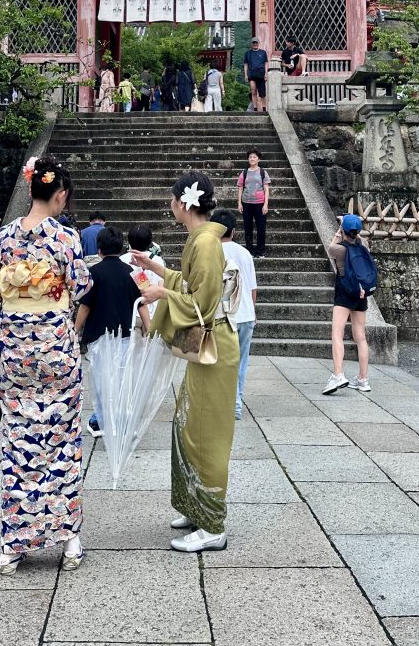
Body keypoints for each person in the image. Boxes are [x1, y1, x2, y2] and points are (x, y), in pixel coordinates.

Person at [0, 155, 91, 575]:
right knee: (61, 442)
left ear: (32, 189)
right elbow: (81, 286)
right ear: (59, 195)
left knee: (18, 442)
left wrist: (21, 285)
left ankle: (14, 544)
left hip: (16, 354)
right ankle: (68, 539)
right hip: (56, 351)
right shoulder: (66, 239)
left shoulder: (3, 238)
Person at [132, 171, 238, 553]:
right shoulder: (203, 237)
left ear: (184, 203)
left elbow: (202, 305)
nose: (170, 205)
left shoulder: (206, 243)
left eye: (172, 199)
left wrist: (161, 292)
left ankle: (213, 524)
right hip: (212, 345)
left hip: (215, 346)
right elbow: (194, 288)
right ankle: (197, 506)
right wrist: (158, 269)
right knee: (188, 423)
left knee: (206, 431)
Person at [75, 226, 150, 438]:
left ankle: (101, 421)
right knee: (123, 378)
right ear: (121, 247)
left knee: (101, 380)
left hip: (99, 337)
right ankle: (125, 418)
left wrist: (74, 330)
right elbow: (144, 302)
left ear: (99, 249)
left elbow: (85, 306)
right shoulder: (133, 272)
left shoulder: (93, 273)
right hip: (125, 335)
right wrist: (148, 328)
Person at [211, 209, 257, 421]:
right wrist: (252, 312)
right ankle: (235, 404)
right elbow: (252, 288)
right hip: (245, 314)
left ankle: (218, 404)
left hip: (222, 315)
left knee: (218, 362)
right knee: (240, 361)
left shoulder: (212, 252)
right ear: (233, 231)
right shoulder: (245, 253)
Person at [323, 214, 372, 396]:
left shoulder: (338, 250)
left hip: (344, 293)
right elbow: (359, 239)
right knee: (361, 337)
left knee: (337, 334)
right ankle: (363, 378)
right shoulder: (364, 246)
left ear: (344, 231)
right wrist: (353, 226)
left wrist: (340, 227)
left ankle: (338, 374)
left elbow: (330, 246)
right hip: (361, 294)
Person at [120, 223, 166, 314]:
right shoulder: (158, 260)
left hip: (130, 312)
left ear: (129, 241)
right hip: (153, 312)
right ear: (150, 242)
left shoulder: (121, 260)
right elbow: (162, 286)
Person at [237, 150, 271, 257]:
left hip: (259, 203)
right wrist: (239, 203)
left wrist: (265, 204)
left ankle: (260, 251)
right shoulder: (244, 172)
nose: (252, 159)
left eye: (254, 157)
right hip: (246, 203)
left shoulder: (263, 172)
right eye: (250, 157)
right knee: (248, 228)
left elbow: (266, 189)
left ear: (258, 159)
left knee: (261, 228)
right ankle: (250, 251)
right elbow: (240, 188)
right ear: (248, 159)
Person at [243, 36, 269, 112]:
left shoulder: (263, 52)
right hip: (252, 75)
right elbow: (245, 64)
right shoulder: (247, 53)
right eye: (253, 43)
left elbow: (266, 63)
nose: (255, 44)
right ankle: (255, 108)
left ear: (258, 43)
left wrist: (266, 74)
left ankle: (264, 108)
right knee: (253, 91)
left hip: (261, 75)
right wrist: (246, 75)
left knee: (262, 93)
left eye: (256, 42)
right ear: (251, 44)